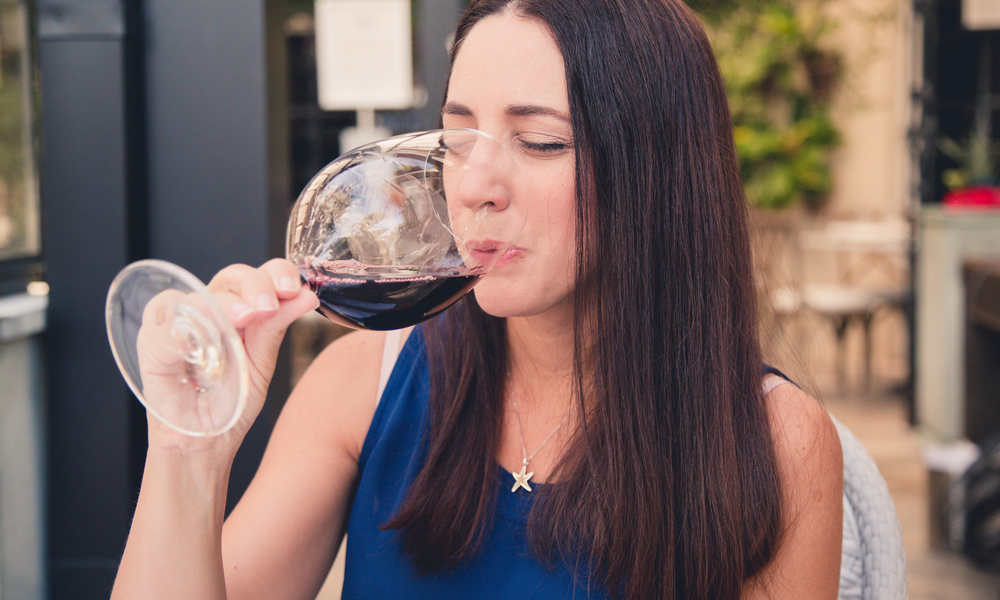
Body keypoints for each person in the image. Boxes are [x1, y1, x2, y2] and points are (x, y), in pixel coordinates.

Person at [111, 0, 843, 598]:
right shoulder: (362, 385)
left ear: (658, 170)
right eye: (458, 138)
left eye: (541, 142)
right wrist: (188, 449)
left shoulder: (775, 443)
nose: (471, 186)